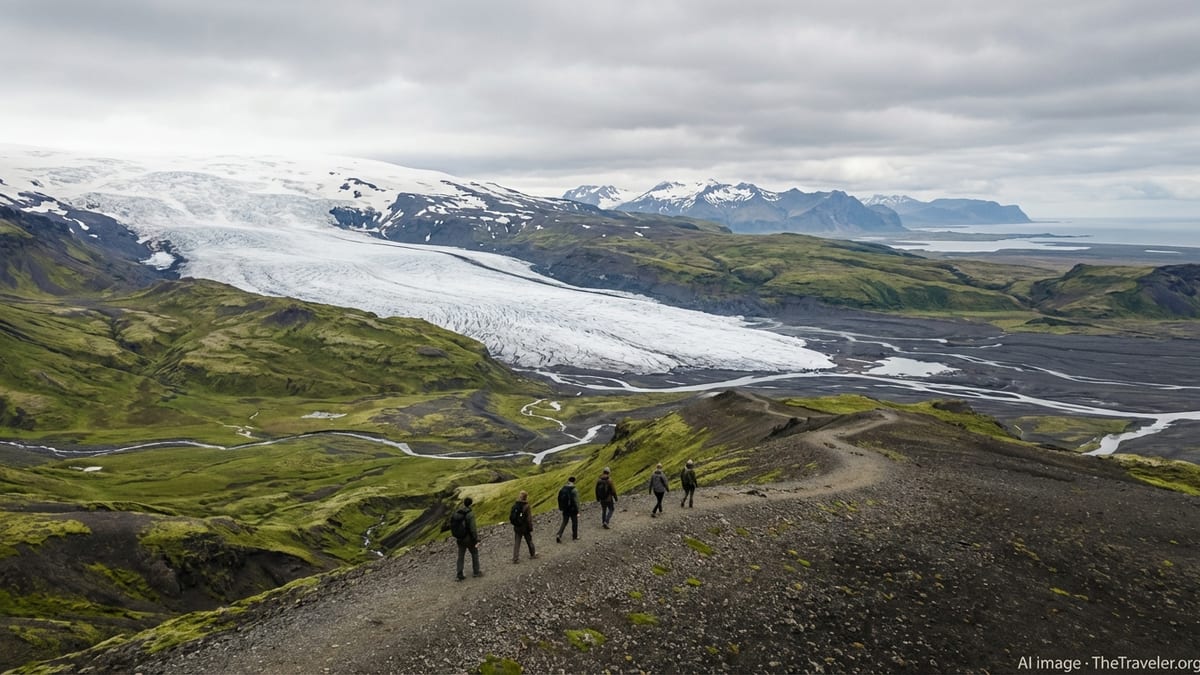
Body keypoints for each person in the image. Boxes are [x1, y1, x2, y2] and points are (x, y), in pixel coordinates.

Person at [510, 490, 538, 563]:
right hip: (525, 527)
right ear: (526, 497)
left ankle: (515, 558)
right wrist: (530, 527)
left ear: (520, 496)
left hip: (517, 527)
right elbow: (529, 518)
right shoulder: (527, 506)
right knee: (529, 540)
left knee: (517, 542)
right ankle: (533, 554)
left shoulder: (515, 505)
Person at [555, 476, 580, 543]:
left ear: (568, 481)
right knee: (574, 522)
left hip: (565, 509)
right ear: (574, 481)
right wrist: (578, 511)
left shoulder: (562, 489)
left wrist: (561, 507)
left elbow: (559, 499)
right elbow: (576, 501)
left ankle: (559, 534)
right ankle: (575, 536)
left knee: (564, 522)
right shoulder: (574, 490)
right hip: (572, 509)